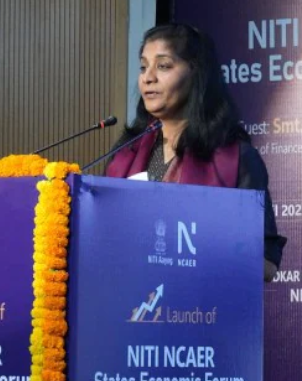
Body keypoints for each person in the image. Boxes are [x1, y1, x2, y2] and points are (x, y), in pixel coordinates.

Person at [106, 23, 286, 281]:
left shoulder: (236, 159)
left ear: (196, 72)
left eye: (163, 66)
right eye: (144, 67)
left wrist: (199, 245)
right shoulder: (126, 155)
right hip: (132, 300)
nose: (148, 78)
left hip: (201, 300)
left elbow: (267, 265)